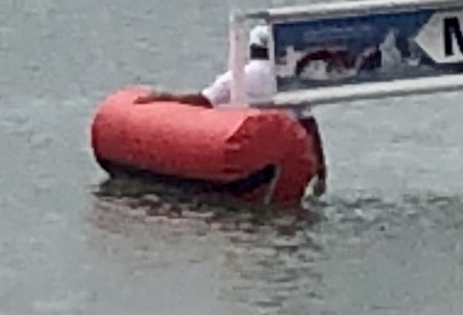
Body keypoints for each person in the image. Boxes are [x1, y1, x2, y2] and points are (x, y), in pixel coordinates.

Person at [140, 25, 327, 195]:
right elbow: (309, 125)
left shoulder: (238, 77)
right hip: (292, 151)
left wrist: (168, 98)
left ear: (252, 48)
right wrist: (321, 170)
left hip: (247, 150)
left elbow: (204, 100)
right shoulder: (292, 82)